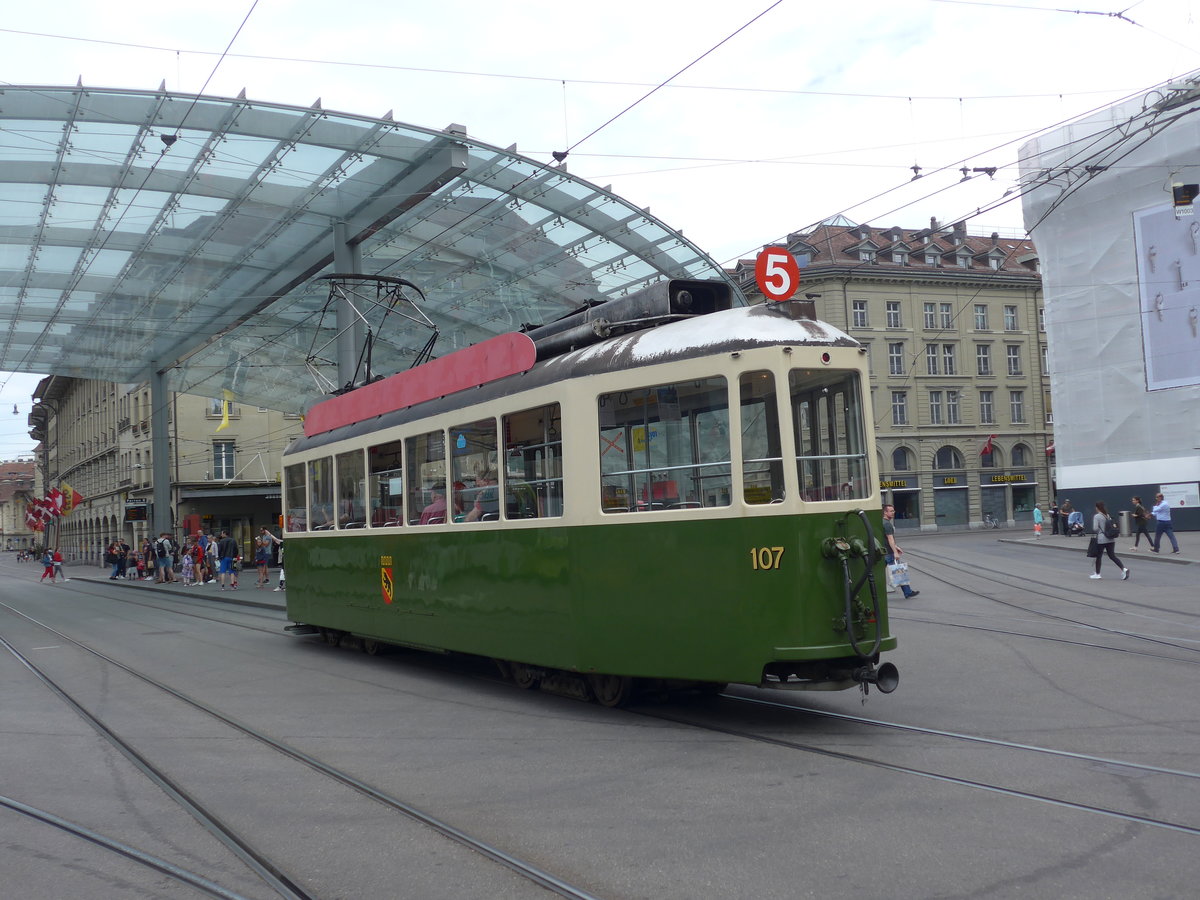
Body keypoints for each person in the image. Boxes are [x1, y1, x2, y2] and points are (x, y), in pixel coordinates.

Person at [881, 504, 919, 599]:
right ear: (885, 512)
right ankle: (907, 592)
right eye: (891, 511)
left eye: (893, 511)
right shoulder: (887, 524)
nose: (893, 512)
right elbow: (890, 539)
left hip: (883, 552)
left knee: (879, 573)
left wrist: (896, 546)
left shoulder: (881, 522)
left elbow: (885, 538)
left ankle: (908, 592)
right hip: (889, 553)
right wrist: (895, 552)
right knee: (899, 572)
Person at [1090, 501, 1129, 580]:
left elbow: (1095, 528)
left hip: (1101, 539)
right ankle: (1124, 569)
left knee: (1099, 556)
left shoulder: (1097, 516)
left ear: (1097, 508)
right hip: (1110, 538)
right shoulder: (1107, 515)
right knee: (1112, 556)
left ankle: (1097, 574)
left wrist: (1099, 531)